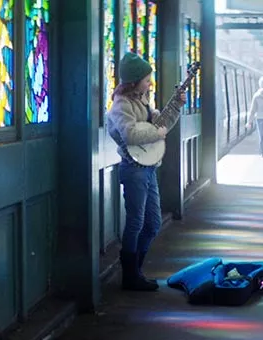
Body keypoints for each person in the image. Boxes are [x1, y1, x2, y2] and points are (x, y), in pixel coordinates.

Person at [107, 52, 186, 291]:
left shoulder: (142, 100)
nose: (150, 82)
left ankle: (136, 270)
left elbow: (160, 125)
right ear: (133, 81)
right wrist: (156, 133)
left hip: (148, 169)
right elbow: (131, 134)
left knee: (152, 223)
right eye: (146, 78)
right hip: (133, 170)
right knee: (136, 222)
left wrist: (177, 107)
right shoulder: (121, 105)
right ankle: (130, 276)